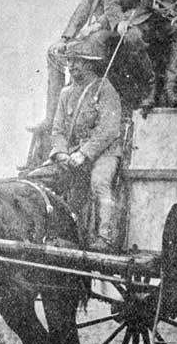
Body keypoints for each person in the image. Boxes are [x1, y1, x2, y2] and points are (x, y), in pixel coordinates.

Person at [28, 0, 130, 134]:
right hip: (97, 29)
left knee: (85, 49)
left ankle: (85, 112)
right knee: (55, 53)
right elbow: (85, 5)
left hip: (117, 27)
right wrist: (66, 37)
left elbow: (124, 4)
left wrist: (96, 25)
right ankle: (53, 115)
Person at [36, 38, 122, 252]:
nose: (71, 66)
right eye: (69, 61)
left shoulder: (105, 89)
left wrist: (84, 154)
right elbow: (58, 130)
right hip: (72, 154)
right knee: (38, 177)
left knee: (99, 183)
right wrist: (61, 153)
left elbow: (109, 129)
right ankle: (52, 232)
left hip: (105, 152)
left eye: (77, 61)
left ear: (90, 63)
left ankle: (105, 237)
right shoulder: (66, 94)